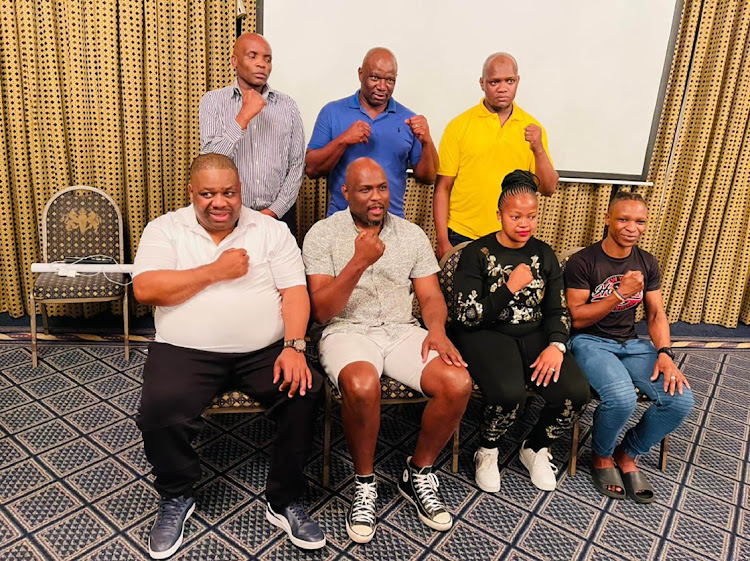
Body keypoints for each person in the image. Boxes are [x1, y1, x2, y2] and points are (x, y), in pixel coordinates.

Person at [133, 154, 325, 558]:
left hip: (265, 350)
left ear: (241, 192)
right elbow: (146, 289)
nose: (219, 202)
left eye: (229, 193)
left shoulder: (270, 230)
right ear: (191, 194)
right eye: (207, 194)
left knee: (304, 391)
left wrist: (294, 347)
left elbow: (294, 292)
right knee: (160, 405)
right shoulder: (165, 229)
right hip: (185, 350)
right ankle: (176, 495)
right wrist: (215, 271)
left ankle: (285, 499)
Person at [302, 158, 471, 543]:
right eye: (365, 190)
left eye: (381, 187)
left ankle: (418, 473)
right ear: (345, 193)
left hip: (401, 330)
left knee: (457, 382)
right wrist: (359, 262)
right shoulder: (322, 235)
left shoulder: (411, 234)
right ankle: (364, 482)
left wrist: (439, 331)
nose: (376, 197)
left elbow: (429, 295)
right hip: (346, 330)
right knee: (361, 385)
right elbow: (322, 310)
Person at [450, 170, 589, 492]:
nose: (524, 224)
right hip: (485, 333)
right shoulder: (477, 253)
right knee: (508, 394)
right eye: (515, 216)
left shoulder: (544, 254)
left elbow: (558, 309)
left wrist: (556, 345)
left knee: (576, 393)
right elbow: (466, 316)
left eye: (531, 216)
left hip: (534, 333)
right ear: (499, 215)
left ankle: (536, 447)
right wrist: (509, 288)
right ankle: (487, 449)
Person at [565, 190, 694, 503]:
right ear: (608, 219)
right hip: (589, 342)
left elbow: (655, 313)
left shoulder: (647, 262)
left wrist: (665, 354)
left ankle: (628, 453)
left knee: (680, 400)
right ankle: (601, 456)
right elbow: (579, 319)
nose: (631, 227)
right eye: (623, 219)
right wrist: (620, 294)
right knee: (621, 398)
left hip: (630, 344)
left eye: (639, 221)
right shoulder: (584, 261)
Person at [434, 52, 559, 259]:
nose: (503, 88)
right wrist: (442, 240)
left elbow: (548, 188)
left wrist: (538, 148)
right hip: (462, 234)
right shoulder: (459, 126)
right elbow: (443, 187)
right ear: (482, 83)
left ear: (517, 81)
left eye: (509, 81)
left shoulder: (533, 128)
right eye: (494, 82)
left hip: (511, 238)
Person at [305, 47, 438, 218]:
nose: (382, 87)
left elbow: (427, 177)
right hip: (342, 223)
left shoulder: (408, 119)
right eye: (375, 78)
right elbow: (312, 169)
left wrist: (427, 142)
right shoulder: (332, 112)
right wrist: (344, 140)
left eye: (390, 80)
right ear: (361, 74)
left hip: (392, 223)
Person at [199, 33, 304, 236]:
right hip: (229, 216)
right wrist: (243, 117)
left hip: (278, 217)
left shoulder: (287, 105)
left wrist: (274, 211)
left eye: (267, 59)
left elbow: (297, 164)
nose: (262, 64)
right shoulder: (213, 101)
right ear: (234, 61)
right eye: (252, 56)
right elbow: (209, 161)